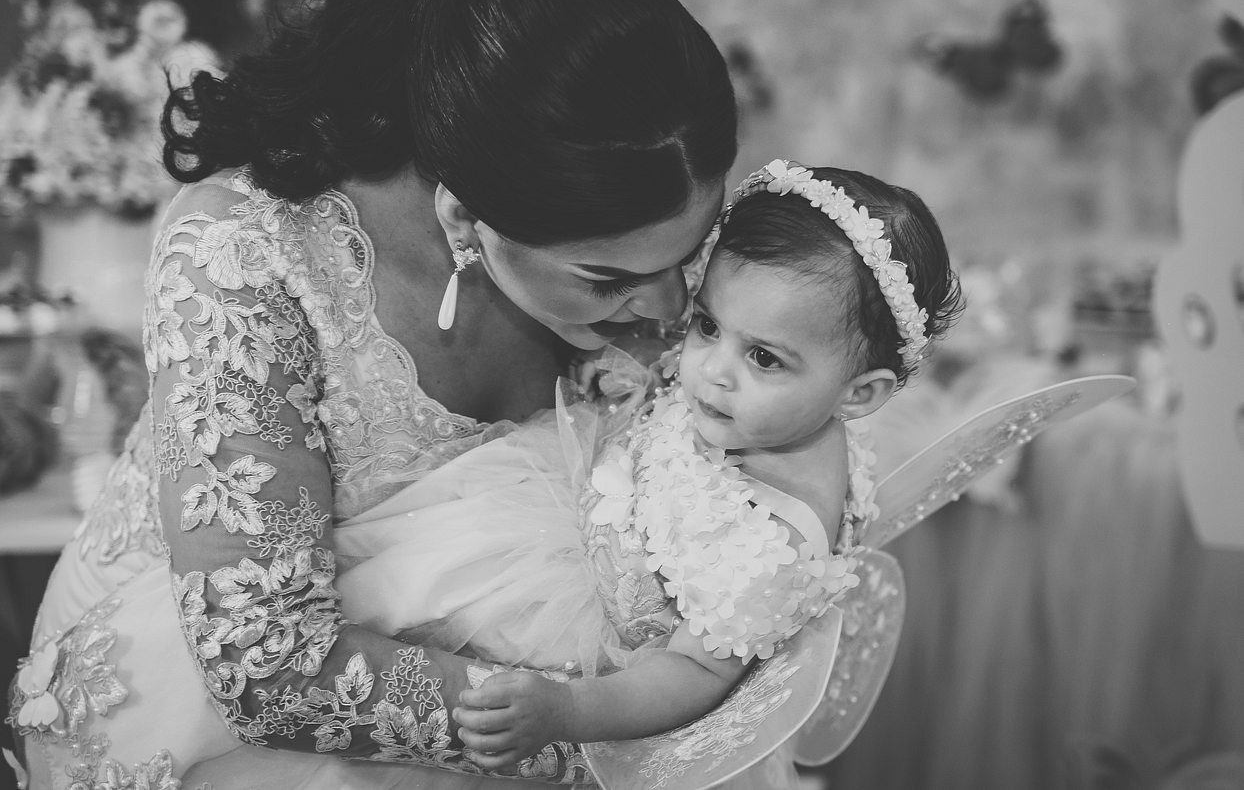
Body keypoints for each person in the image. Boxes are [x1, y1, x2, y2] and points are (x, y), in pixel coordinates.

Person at [6, 0, 737, 788]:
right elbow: (266, 668)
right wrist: (609, 735)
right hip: (209, 710)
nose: (672, 308)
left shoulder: (631, 205)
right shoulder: (245, 252)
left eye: (691, 251)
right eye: (607, 278)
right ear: (466, 218)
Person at [319, 159, 962, 781]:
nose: (711, 369)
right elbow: (680, 383)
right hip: (560, 496)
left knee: (419, 632)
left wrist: (567, 710)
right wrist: (637, 386)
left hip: (576, 627)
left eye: (764, 358)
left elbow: (695, 673)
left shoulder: (777, 542)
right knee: (383, 576)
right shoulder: (760, 408)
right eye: (708, 325)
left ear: (859, 395)